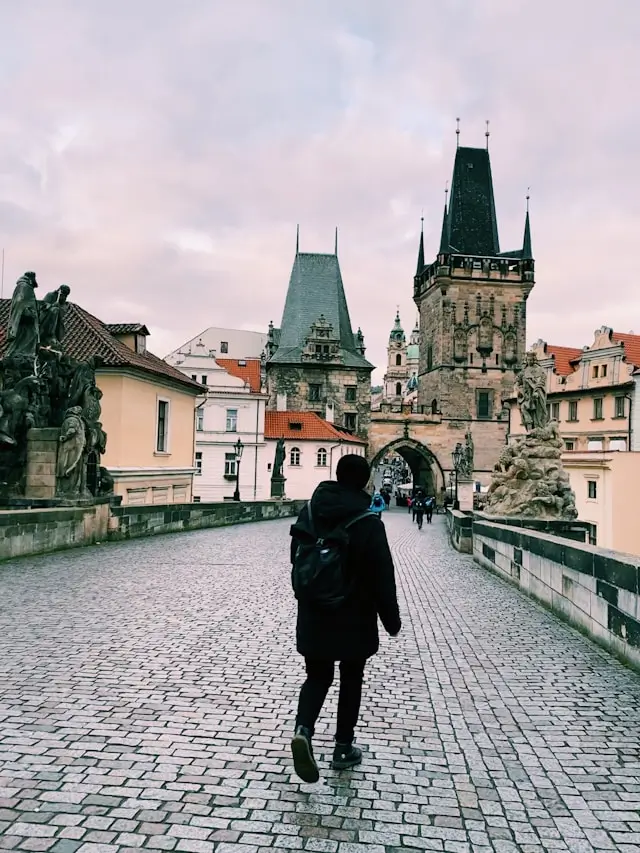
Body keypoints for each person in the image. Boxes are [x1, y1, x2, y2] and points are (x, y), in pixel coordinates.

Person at [290, 454, 401, 783]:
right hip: (354, 613)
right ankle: (342, 747)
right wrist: (390, 620)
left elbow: (297, 561)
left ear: (337, 476)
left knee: (316, 676)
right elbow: (383, 576)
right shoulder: (368, 521)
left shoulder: (309, 511)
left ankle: (303, 731)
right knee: (351, 678)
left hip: (314, 611)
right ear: (365, 482)